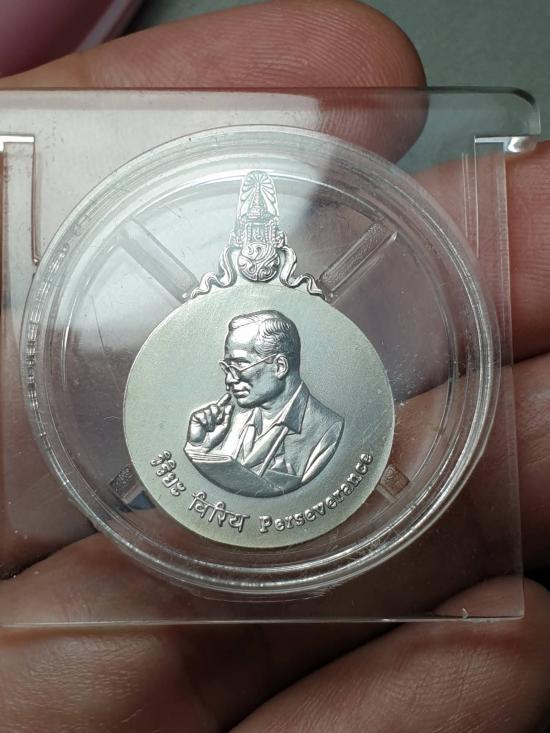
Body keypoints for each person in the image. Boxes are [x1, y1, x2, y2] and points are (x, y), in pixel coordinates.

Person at [1, 2, 549, 732]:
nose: (228, 376)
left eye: (243, 364)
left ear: (285, 364)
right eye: (225, 361)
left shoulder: (325, 435)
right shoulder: (208, 432)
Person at [185, 310, 343, 494]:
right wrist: (200, 447)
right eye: (227, 368)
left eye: (239, 365)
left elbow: (296, 499)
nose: (229, 380)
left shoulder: (326, 431)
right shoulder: (231, 420)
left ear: (280, 366)